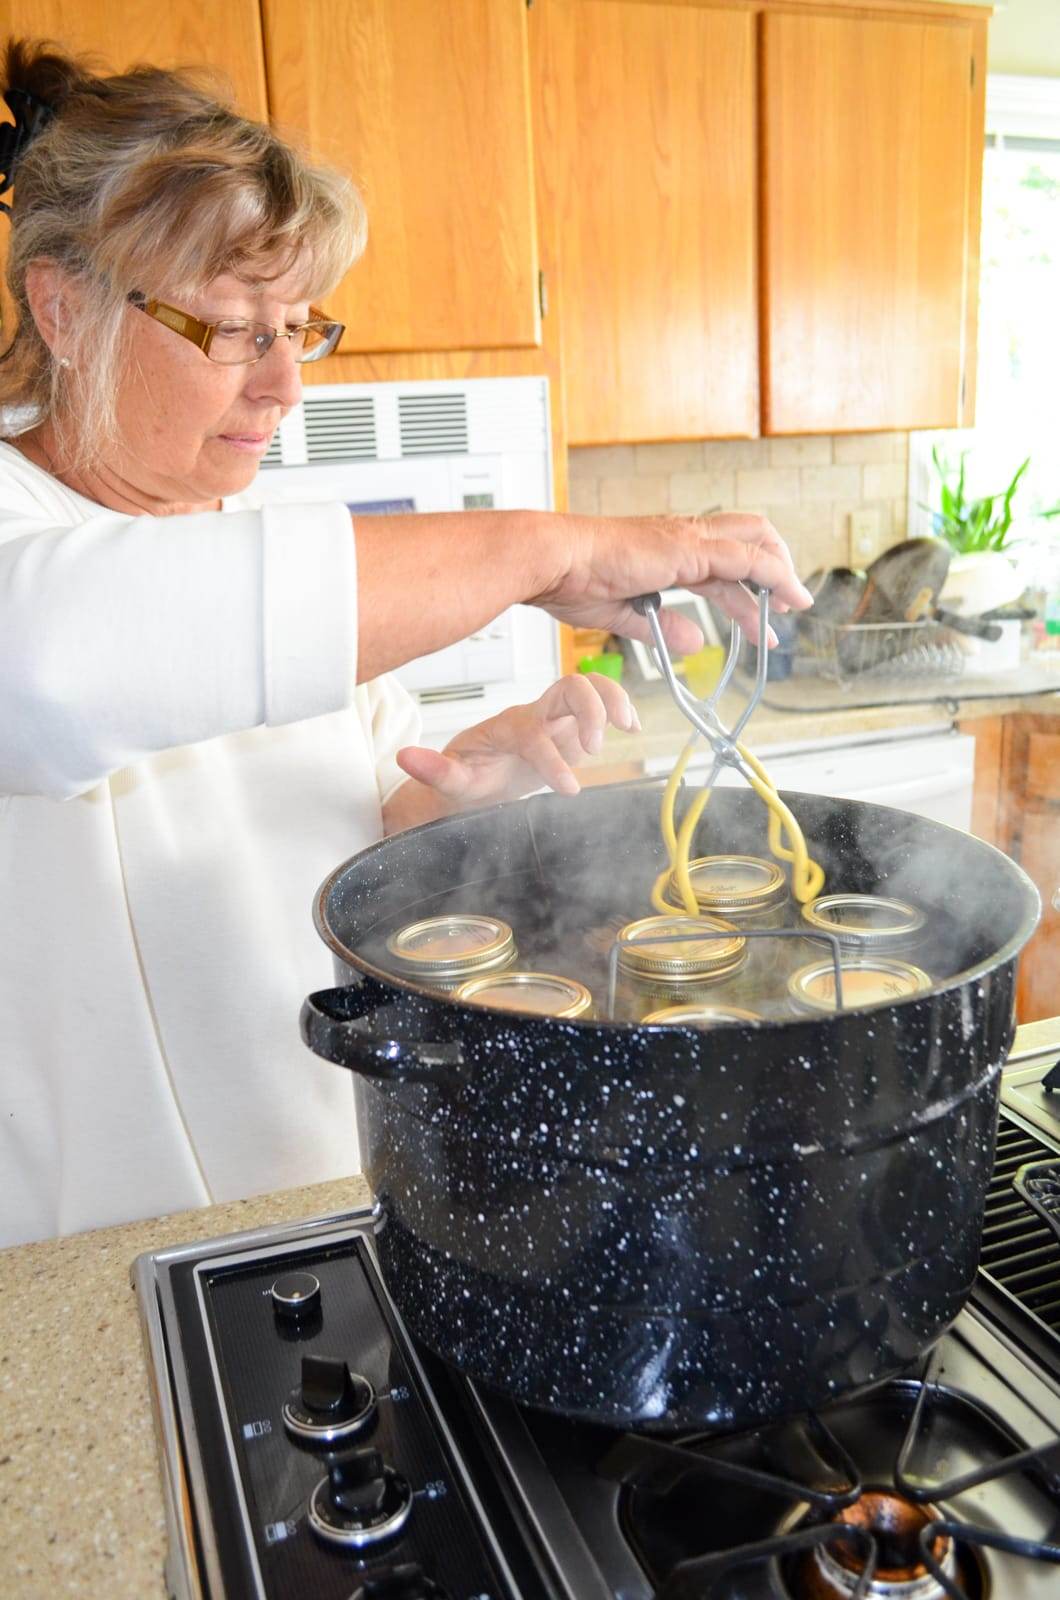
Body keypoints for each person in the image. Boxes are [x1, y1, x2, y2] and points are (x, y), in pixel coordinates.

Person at [0, 40, 812, 1249]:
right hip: (81, 1262)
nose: (283, 385)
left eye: (299, 327)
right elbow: (59, 660)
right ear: (64, 308)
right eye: (232, 329)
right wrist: (552, 550)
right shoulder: (33, 544)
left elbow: (350, 822)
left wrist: (449, 798)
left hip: (332, 1196)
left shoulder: (277, 539)